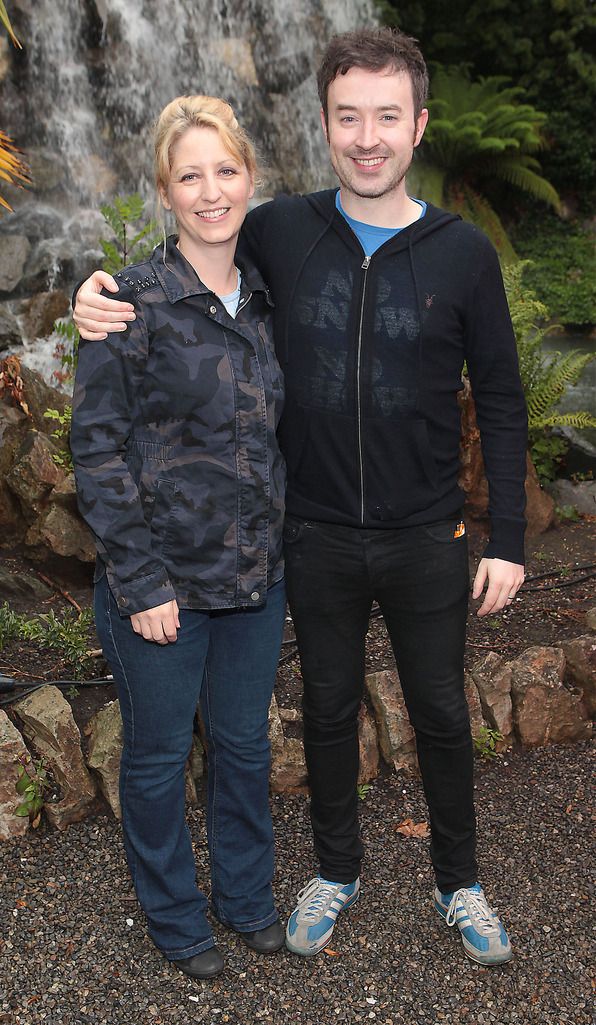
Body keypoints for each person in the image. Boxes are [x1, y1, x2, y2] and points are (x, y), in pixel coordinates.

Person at [73, 28, 527, 968]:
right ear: (323, 126)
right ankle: (330, 872)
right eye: (349, 116)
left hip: (408, 536)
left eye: (387, 118)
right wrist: (92, 291)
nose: (368, 137)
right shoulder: (281, 230)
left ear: (418, 126)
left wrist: (510, 535)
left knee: (432, 712)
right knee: (317, 711)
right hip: (305, 540)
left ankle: (459, 881)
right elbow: (159, 308)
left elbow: (506, 399)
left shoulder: (458, 254)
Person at [70, 95, 287, 980]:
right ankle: (175, 916)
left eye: (225, 171)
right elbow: (96, 450)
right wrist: (144, 580)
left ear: (251, 179)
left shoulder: (272, 294)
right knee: (158, 758)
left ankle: (245, 898)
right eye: (189, 175)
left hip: (256, 580)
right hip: (159, 585)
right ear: (165, 190)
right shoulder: (129, 303)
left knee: (243, 744)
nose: (210, 191)